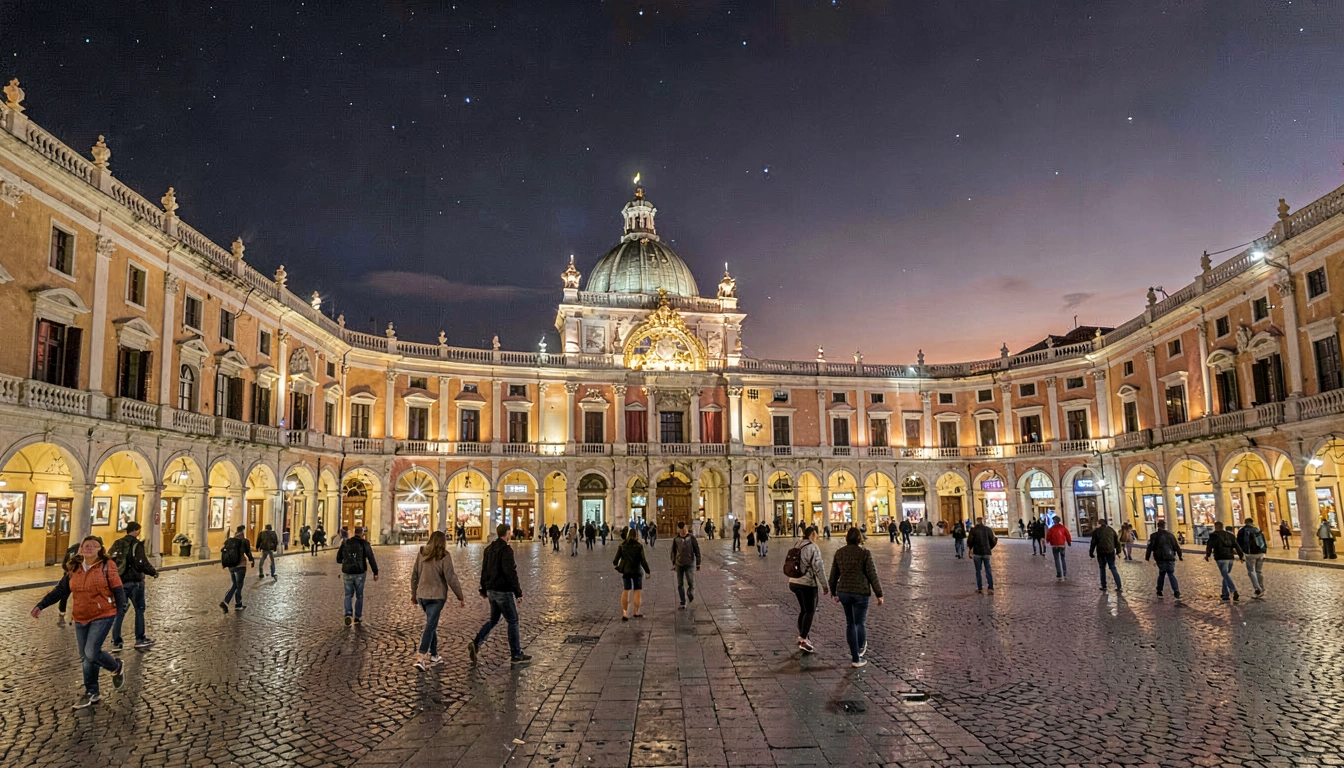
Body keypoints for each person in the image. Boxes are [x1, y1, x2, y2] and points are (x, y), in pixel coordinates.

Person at [31, 536, 127, 708]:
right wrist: (41, 605)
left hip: (103, 614)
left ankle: (115, 666)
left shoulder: (107, 565)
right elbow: (60, 590)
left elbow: (118, 589)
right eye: (86, 545)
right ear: (81, 548)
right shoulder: (74, 567)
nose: (89, 548)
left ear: (99, 549)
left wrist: (121, 611)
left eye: (93, 545)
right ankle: (92, 692)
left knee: (91, 652)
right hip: (81, 616)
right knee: (85, 657)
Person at [469, 524, 530, 664]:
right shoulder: (506, 550)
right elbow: (510, 573)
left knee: (494, 619)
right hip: (503, 591)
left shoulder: (489, 549)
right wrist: (518, 592)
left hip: (491, 591)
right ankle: (516, 653)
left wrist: (483, 589)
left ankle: (476, 642)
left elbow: (484, 571)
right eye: (510, 532)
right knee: (513, 621)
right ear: (507, 533)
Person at [828, 528, 883, 668]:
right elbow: (872, 574)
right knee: (859, 623)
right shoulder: (864, 553)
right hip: (860, 592)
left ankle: (855, 657)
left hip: (844, 591)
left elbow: (833, 575)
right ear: (859, 538)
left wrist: (833, 592)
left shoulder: (839, 553)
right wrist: (879, 594)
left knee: (850, 623)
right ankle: (859, 650)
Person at [411, 530, 464, 671]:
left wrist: (414, 594)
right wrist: (460, 596)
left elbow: (414, 575)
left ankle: (434, 655)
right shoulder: (444, 556)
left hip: (422, 596)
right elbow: (451, 577)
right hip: (436, 597)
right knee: (430, 625)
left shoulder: (422, 553)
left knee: (431, 623)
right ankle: (421, 656)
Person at [108, 521, 159, 651]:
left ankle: (116, 641)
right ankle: (140, 639)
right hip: (136, 581)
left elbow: (109, 559)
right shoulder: (137, 544)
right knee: (139, 610)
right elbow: (142, 563)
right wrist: (153, 572)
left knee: (120, 611)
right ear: (136, 530)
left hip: (120, 581)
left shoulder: (117, 543)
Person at [787, 525, 828, 653]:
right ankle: (804, 638)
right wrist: (825, 585)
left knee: (803, 610)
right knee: (810, 610)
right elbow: (819, 568)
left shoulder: (797, 543)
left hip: (793, 581)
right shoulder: (813, 547)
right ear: (813, 534)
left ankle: (802, 636)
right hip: (807, 583)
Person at [336, 526, 379, 624]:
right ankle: (357, 617)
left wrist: (346, 559)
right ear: (362, 533)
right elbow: (371, 558)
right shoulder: (365, 544)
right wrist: (375, 572)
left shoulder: (346, 543)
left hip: (347, 572)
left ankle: (348, 613)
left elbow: (338, 559)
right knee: (359, 595)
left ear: (354, 532)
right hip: (360, 572)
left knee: (348, 594)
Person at [614, 527, 651, 620]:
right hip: (637, 570)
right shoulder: (639, 546)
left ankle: (625, 613)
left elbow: (615, 560)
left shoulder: (622, 545)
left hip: (626, 570)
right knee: (637, 591)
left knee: (626, 590)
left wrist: (618, 567)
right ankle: (636, 612)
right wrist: (647, 571)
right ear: (636, 535)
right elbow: (643, 560)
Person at [1205, 520, 1244, 601]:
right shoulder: (1230, 535)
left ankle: (1233, 590)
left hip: (1220, 558)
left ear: (1215, 527)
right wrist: (1241, 556)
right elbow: (1237, 546)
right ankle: (1225, 594)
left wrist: (1207, 555)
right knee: (1225, 575)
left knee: (1225, 574)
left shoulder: (1214, 536)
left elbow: (1209, 546)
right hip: (1230, 558)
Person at [219, 526, 254, 613]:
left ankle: (227, 602)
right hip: (240, 566)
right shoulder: (244, 541)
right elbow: (248, 552)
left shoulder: (230, 541)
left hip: (231, 566)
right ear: (242, 531)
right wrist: (251, 560)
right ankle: (237, 604)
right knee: (239, 585)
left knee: (235, 584)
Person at [1145, 520, 1183, 599]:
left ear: (1157, 526)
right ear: (1164, 526)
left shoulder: (1154, 536)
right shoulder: (1170, 535)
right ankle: (1176, 591)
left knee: (1162, 574)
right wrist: (1180, 556)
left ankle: (1159, 590)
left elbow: (1150, 547)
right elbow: (1176, 546)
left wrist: (1147, 557)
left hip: (1159, 557)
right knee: (1171, 573)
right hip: (1170, 557)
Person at [670, 521, 702, 609]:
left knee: (691, 582)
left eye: (684, 528)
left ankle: (690, 593)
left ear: (686, 528)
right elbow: (673, 552)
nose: (683, 530)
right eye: (681, 529)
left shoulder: (691, 538)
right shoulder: (676, 539)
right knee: (680, 584)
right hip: (679, 564)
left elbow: (697, 550)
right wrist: (673, 563)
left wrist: (698, 563)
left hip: (690, 563)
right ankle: (682, 601)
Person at [1236, 517, 1267, 598]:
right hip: (1260, 552)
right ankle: (1262, 587)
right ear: (1252, 522)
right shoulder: (1258, 530)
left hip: (1249, 553)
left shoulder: (1242, 530)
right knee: (1259, 571)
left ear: (1245, 522)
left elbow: (1238, 543)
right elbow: (1263, 541)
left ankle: (1258, 588)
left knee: (1251, 571)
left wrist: (1241, 554)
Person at [1088, 518, 1122, 592]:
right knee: (1113, 567)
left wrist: (1091, 553)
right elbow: (1117, 541)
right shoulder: (1111, 530)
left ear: (1100, 523)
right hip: (1110, 551)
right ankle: (1119, 585)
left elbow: (1093, 543)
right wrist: (1118, 551)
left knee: (1102, 568)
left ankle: (1104, 585)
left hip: (1101, 552)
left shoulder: (1096, 531)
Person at [967, 517, 997, 593]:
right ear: (983, 521)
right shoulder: (988, 529)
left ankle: (979, 588)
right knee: (988, 570)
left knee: (978, 571)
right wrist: (989, 548)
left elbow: (970, 541)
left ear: (977, 521)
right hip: (986, 552)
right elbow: (993, 540)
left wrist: (970, 549)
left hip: (977, 552)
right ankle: (990, 588)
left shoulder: (973, 530)